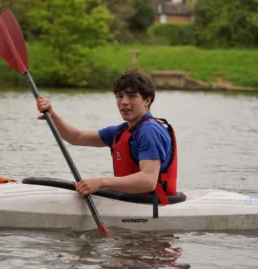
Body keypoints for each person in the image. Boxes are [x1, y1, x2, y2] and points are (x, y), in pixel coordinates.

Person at [36, 68, 177, 205]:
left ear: (147, 100)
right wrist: (52, 115)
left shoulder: (149, 130)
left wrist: (101, 183)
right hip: (132, 201)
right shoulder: (123, 131)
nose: (124, 102)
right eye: (120, 96)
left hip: (151, 206)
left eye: (132, 96)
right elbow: (77, 137)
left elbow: (148, 181)